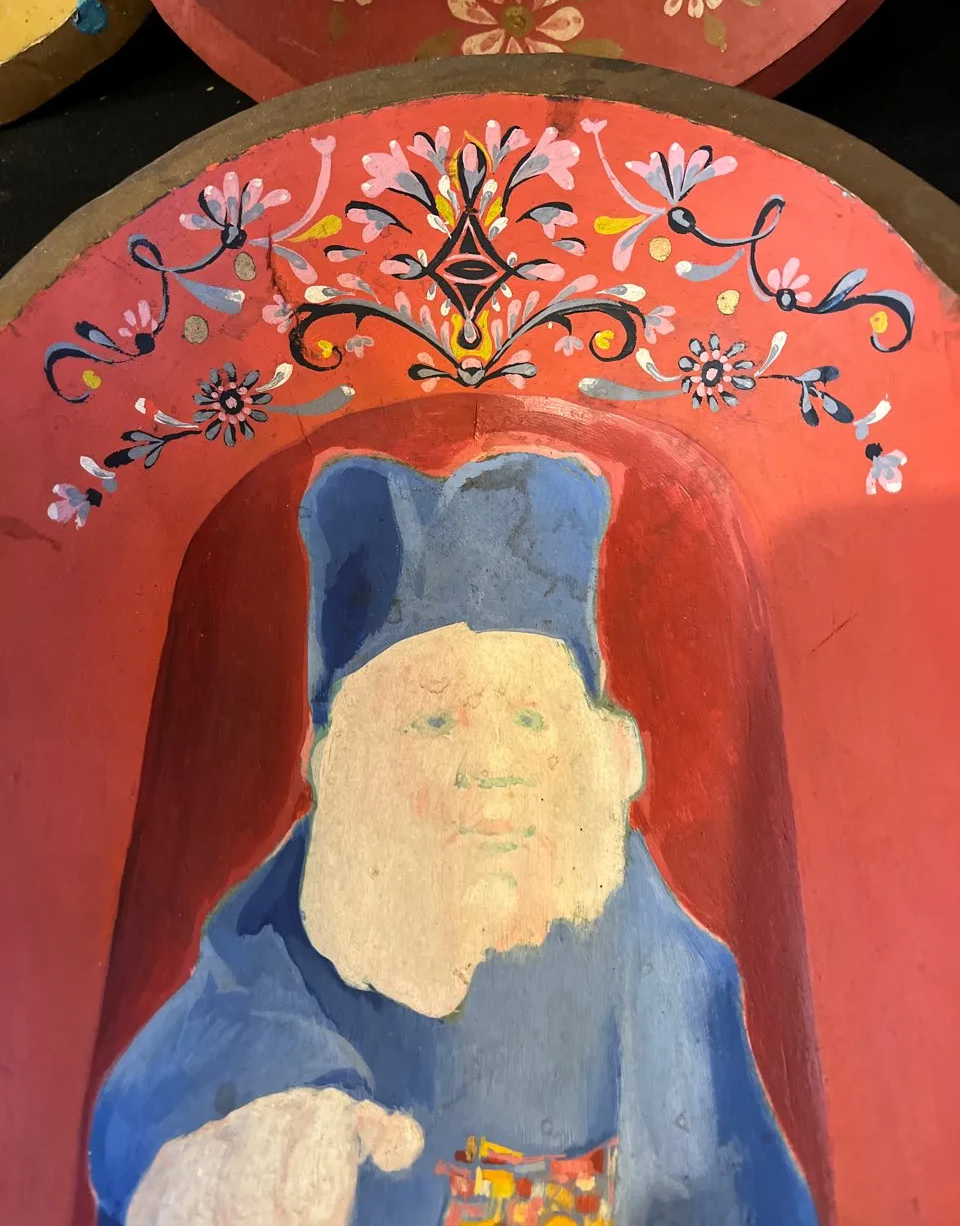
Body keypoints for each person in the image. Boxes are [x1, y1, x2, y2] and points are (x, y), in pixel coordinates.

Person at [89, 451, 817, 1226]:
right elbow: (137, 1120)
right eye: (434, 721)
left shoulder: (665, 964)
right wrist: (251, 1131)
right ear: (345, 763)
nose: (491, 767)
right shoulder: (270, 962)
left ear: (598, 747)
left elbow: (742, 1197)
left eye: (529, 718)